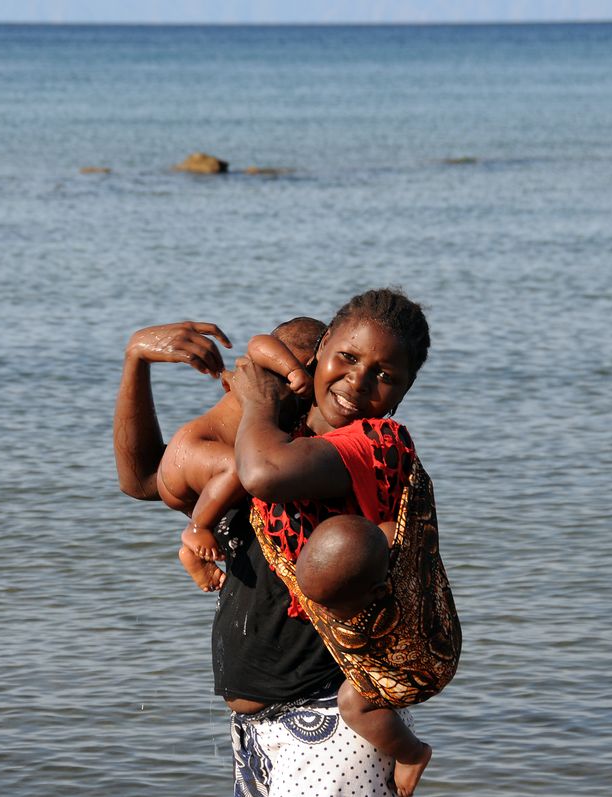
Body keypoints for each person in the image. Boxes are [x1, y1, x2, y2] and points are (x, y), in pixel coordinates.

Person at [112, 288, 459, 796]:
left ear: (404, 391)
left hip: (333, 730)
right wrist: (136, 358)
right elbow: (145, 478)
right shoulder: (275, 431)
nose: (357, 382)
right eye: (346, 357)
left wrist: (254, 403)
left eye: (385, 377)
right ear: (318, 353)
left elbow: (264, 473)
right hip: (258, 737)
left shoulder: (371, 449)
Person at [279, 511, 459, 797]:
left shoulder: (383, 611)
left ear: (377, 593)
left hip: (422, 665)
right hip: (443, 624)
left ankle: (412, 753)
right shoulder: (388, 541)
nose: (321, 609)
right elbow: (382, 531)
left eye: (328, 605)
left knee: (352, 702)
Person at [157, 316, 327, 591]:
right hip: (193, 448)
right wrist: (293, 370)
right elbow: (259, 342)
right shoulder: (262, 364)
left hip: (194, 473)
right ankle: (197, 530)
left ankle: (193, 551)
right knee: (238, 470)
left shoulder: (290, 398)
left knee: (232, 494)